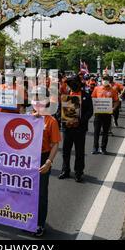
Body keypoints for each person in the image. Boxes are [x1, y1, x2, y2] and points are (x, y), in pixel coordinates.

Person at [30, 86, 61, 237]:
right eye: (35, 98)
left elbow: (55, 144)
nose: (37, 101)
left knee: (41, 194)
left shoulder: (51, 121)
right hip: (27, 160)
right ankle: (28, 220)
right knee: (27, 192)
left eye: (40, 98)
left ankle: (40, 224)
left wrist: (48, 162)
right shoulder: (27, 117)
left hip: (42, 158)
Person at [59, 75, 93, 182]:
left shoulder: (86, 96)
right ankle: (65, 170)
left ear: (78, 84)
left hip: (80, 128)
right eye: (70, 84)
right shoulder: (66, 95)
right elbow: (60, 111)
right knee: (66, 151)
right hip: (67, 128)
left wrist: (80, 121)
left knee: (79, 151)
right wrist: (64, 121)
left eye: (73, 83)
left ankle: (78, 172)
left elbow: (90, 111)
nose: (71, 86)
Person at [91, 75, 119, 155]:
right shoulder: (97, 89)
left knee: (105, 132)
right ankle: (95, 148)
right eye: (104, 79)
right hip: (98, 114)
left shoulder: (113, 90)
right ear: (101, 80)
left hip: (107, 114)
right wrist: (94, 107)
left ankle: (103, 148)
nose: (105, 81)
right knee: (96, 132)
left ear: (109, 81)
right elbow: (93, 98)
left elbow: (116, 101)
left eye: (106, 80)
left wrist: (114, 108)